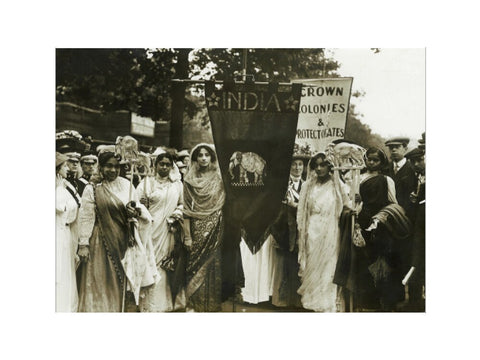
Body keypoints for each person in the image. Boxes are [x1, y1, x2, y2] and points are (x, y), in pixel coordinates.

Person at [77, 151, 157, 312]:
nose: (113, 170)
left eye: (116, 167)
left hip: (123, 238)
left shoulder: (127, 185)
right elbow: (86, 217)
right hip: (101, 241)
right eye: (108, 166)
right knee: (100, 280)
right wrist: (83, 244)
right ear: (100, 167)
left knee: (123, 279)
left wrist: (135, 213)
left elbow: (138, 209)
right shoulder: (92, 188)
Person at [354, 147, 410, 311]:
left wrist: (380, 218)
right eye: (369, 159)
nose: (371, 162)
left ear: (381, 162)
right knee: (363, 262)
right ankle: (366, 302)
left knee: (381, 264)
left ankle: (383, 303)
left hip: (380, 227)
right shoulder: (359, 177)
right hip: (362, 223)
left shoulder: (386, 180)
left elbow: (393, 204)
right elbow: (354, 203)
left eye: (375, 160)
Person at [296, 152, 351, 312]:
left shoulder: (337, 185)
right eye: (316, 166)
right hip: (312, 231)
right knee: (313, 265)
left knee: (329, 265)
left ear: (330, 166)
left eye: (323, 165)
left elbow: (346, 205)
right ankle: (313, 301)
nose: (319, 169)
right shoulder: (307, 186)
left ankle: (328, 303)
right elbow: (301, 211)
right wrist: (302, 231)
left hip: (331, 230)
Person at [136, 152, 185, 312]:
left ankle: (164, 304)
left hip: (168, 230)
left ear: (172, 166)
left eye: (167, 164)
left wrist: (176, 215)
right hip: (149, 229)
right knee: (150, 263)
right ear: (155, 165)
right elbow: (135, 205)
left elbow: (183, 204)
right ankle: (148, 305)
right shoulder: (146, 184)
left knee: (165, 265)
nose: (164, 167)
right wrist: (142, 206)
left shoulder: (177, 184)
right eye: (161, 164)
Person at [183, 143, 226, 312]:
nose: (203, 158)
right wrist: (187, 235)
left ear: (212, 157)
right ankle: (194, 304)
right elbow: (186, 209)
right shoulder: (189, 180)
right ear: (195, 158)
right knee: (195, 264)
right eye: (199, 155)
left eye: (206, 155)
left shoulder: (219, 178)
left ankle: (212, 305)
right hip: (196, 226)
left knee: (213, 264)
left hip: (216, 223)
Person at [270, 155, 308, 308]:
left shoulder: (306, 185)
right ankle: (283, 301)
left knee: (299, 264)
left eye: (300, 165)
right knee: (284, 264)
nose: (297, 168)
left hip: (302, 228)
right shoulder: (283, 186)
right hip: (284, 228)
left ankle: (298, 301)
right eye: (294, 165)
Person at [56, 152, 80, 312]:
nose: (67, 168)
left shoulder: (64, 185)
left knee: (65, 270)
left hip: (65, 233)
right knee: (59, 270)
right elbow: (60, 207)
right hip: (57, 233)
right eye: (64, 166)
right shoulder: (58, 188)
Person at [404, 146, 426, 311]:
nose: (418, 164)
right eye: (414, 161)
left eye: (420, 160)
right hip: (418, 227)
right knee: (417, 261)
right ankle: (415, 302)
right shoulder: (415, 177)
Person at [385, 137, 417, 221]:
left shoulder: (413, 169)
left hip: (407, 216)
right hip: (387, 214)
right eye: (391, 148)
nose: (394, 150)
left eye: (397, 147)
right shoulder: (385, 168)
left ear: (405, 149)